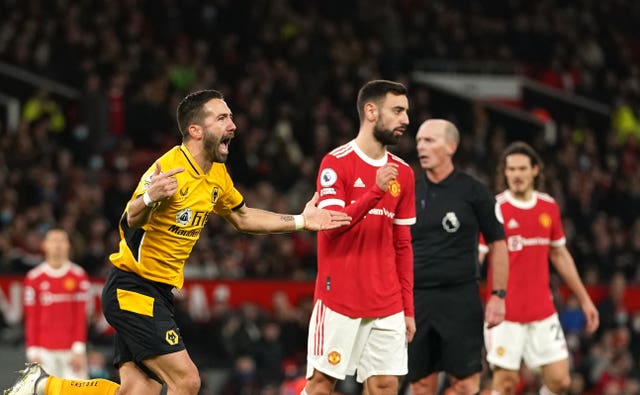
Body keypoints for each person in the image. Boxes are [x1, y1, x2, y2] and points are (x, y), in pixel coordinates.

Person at [5, 89, 351, 395]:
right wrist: (149, 198)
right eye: (222, 117)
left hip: (156, 293)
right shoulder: (167, 168)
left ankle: (44, 386)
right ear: (195, 130)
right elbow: (129, 219)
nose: (233, 125)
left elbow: (243, 217)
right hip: (134, 289)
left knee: (137, 391)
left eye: (231, 116)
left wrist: (303, 220)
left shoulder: (216, 173)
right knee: (187, 382)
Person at [303, 80, 416, 395]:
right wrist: (375, 191)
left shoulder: (404, 173)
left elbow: (403, 245)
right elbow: (331, 225)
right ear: (370, 111)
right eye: (397, 110)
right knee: (322, 384)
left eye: (406, 111)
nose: (405, 119)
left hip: (388, 301)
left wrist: (408, 308)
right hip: (340, 296)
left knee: (385, 385)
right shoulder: (336, 163)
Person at [481, 141, 599, 395]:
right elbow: (476, 256)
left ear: (535, 170)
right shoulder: (495, 208)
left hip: (542, 310)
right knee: (505, 384)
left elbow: (559, 254)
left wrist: (585, 300)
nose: (516, 175)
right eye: (511, 170)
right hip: (505, 313)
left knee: (561, 381)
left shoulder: (548, 206)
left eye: (522, 168)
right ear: (504, 173)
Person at [408, 119, 509, 395]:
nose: (421, 146)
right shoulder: (409, 193)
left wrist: (498, 295)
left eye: (429, 140)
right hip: (417, 301)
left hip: (460, 298)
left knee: (465, 385)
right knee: (421, 385)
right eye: (418, 141)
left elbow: (498, 243)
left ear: (451, 146)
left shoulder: (474, 192)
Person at [23, 228, 90, 380]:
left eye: (62, 240)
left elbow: (81, 316)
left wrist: (79, 349)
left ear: (68, 245)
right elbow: (31, 318)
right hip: (43, 352)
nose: (57, 245)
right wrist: (32, 352)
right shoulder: (34, 278)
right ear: (44, 245)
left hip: (72, 352)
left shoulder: (79, 276)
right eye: (53, 240)